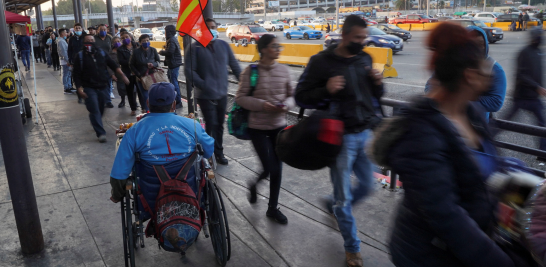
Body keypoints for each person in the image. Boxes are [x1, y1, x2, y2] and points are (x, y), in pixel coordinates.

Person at [369, 22, 518, 267]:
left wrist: (522, 189)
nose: (491, 74)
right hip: (427, 255)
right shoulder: (420, 132)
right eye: (484, 68)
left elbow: (488, 173)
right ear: (470, 76)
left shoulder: (471, 113)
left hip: (466, 248)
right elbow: (447, 216)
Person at [295, 15, 383, 267]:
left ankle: (334, 208)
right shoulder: (321, 62)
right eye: (357, 38)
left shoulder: (365, 58)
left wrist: (377, 85)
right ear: (344, 35)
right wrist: (326, 89)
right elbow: (301, 97)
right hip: (340, 139)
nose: (362, 42)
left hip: (365, 134)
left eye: (364, 38)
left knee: (368, 186)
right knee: (343, 198)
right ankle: (352, 247)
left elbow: (373, 96)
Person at [109, 83, 214, 204]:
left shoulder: (134, 132)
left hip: (152, 201)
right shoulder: (192, 125)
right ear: (174, 104)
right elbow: (208, 151)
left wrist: (117, 195)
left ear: (148, 103)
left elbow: (119, 174)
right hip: (190, 193)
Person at [235, 35, 294, 224]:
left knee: (278, 169)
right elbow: (240, 98)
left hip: (279, 126)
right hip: (257, 127)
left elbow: (293, 96)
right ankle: (254, 184)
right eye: (274, 46)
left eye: (278, 46)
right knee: (269, 167)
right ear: (263, 50)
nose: (278, 48)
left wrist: (286, 105)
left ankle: (272, 208)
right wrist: (262, 105)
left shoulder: (284, 70)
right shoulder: (250, 72)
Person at [185, 18, 242, 165]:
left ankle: (219, 153)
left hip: (222, 93)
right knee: (211, 124)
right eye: (208, 27)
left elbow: (234, 66)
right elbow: (190, 72)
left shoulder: (223, 45)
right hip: (205, 95)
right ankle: (208, 154)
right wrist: (204, 85)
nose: (212, 29)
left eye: (214, 27)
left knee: (219, 125)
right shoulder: (194, 48)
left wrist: (244, 83)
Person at [425, 26, 507, 121]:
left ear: (486, 45)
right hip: (448, 120)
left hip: (477, 123)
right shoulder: (450, 62)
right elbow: (429, 87)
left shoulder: (494, 68)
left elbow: (496, 102)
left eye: (480, 44)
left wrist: (456, 101)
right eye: (471, 44)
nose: (476, 48)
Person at [73, 35, 129, 142]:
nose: (90, 42)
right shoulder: (80, 56)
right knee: (94, 109)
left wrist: (122, 75)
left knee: (101, 109)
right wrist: (79, 88)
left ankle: (95, 119)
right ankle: (101, 133)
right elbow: (76, 74)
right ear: (84, 43)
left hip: (103, 86)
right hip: (89, 87)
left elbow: (113, 65)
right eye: (88, 41)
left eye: (92, 40)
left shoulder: (102, 53)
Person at [504, 27, 546, 161]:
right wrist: (537, 87)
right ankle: (488, 138)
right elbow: (521, 74)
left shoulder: (538, 52)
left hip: (533, 97)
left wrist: (538, 88)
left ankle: (542, 154)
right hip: (521, 96)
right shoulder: (524, 52)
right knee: (506, 122)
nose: (539, 39)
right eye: (537, 37)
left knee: (543, 125)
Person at [130, 34, 160, 113]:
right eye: (143, 41)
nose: (146, 42)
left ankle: (155, 110)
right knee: (145, 95)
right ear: (140, 42)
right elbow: (131, 64)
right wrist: (138, 74)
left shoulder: (153, 50)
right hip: (141, 77)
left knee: (154, 94)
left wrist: (153, 64)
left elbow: (158, 61)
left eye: (147, 40)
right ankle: (148, 111)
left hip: (153, 76)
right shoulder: (136, 52)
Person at [159, 25, 183, 109]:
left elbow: (170, 52)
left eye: (165, 31)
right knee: (173, 81)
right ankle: (176, 100)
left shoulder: (171, 40)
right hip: (173, 63)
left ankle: (178, 101)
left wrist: (162, 52)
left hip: (173, 64)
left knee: (174, 82)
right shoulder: (172, 39)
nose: (165, 33)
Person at [118, 32, 140, 115]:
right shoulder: (120, 49)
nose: (125, 39)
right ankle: (133, 109)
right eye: (122, 38)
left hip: (138, 72)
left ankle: (144, 108)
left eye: (126, 37)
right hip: (128, 73)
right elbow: (121, 61)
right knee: (130, 92)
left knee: (140, 91)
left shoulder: (137, 46)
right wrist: (132, 62)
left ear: (130, 37)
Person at [95, 24, 115, 105]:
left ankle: (108, 101)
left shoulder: (109, 38)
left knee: (108, 82)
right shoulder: (94, 39)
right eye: (101, 29)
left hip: (108, 63)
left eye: (104, 29)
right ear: (98, 30)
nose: (103, 31)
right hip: (98, 63)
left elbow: (113, 48)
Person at [68, 23, 86, 103]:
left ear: (82, 29)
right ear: (74, 29)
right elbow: (69, 50)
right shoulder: (71, 39)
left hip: (85, 60)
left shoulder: (85, 37)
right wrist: (70, 60)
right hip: (76, 61)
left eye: (79, 28)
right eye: (76, 28)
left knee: (85, 78)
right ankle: (79, 96)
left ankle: (86, 94)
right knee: (77, 78)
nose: (78, 30)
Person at [109, 37, 127, 108]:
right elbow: (109, 65)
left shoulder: (125, 50)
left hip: (127, 71)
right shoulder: (111, 53)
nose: (117, 43)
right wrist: (112, 74)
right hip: (118, 74)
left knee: (131, 88)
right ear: (113, 43)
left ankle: (133, 101)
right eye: (115, 42)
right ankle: (123, 100)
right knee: (121, 88)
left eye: (118, 41)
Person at [57, 28, 72, 94]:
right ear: (62, 33)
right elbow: (63, 52)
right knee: (66, 74)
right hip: (65, 61)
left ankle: (69, 86)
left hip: (66, 60)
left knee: (68, 74)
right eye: (65, 32)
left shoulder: (62, 40)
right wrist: (68, 60)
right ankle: (66, 88)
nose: (67, 34)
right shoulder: (61, 41)